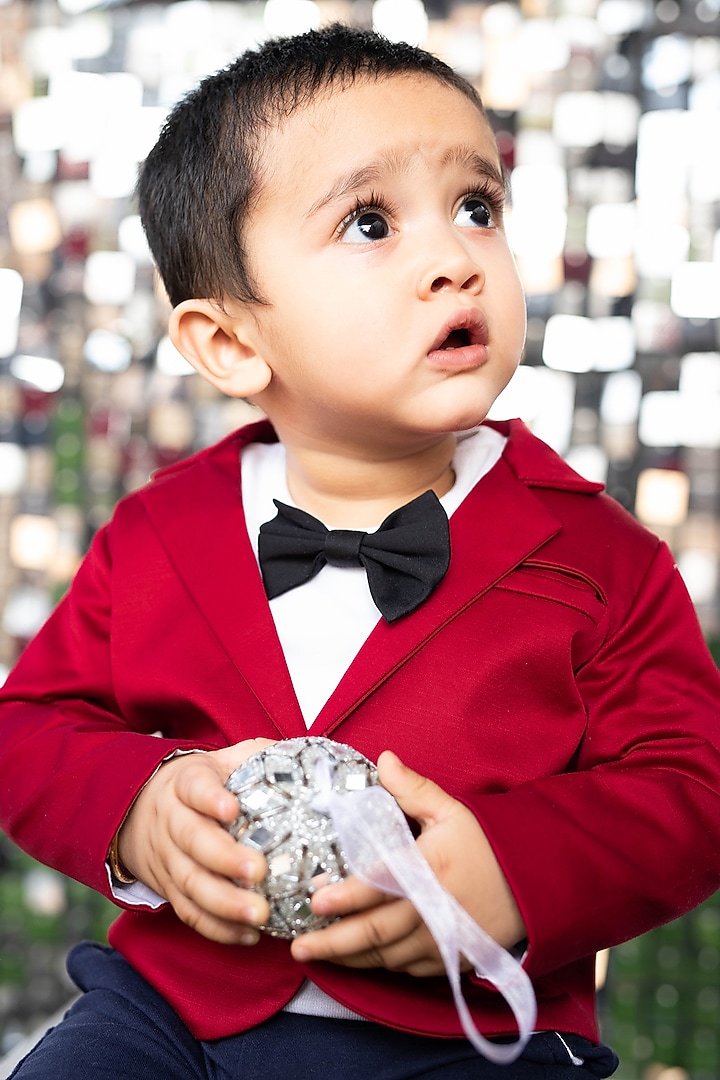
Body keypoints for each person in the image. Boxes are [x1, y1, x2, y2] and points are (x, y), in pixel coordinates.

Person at [1, 22, 719, 1080]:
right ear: (234, 342)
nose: (452, 260)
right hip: (174, 1022)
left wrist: (514, 874)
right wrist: (137, 809)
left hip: (481, 1034)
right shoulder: (158, 532)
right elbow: (28, 727)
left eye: (477, 208)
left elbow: (690, 785)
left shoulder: (603, 557)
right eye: (371, 222)